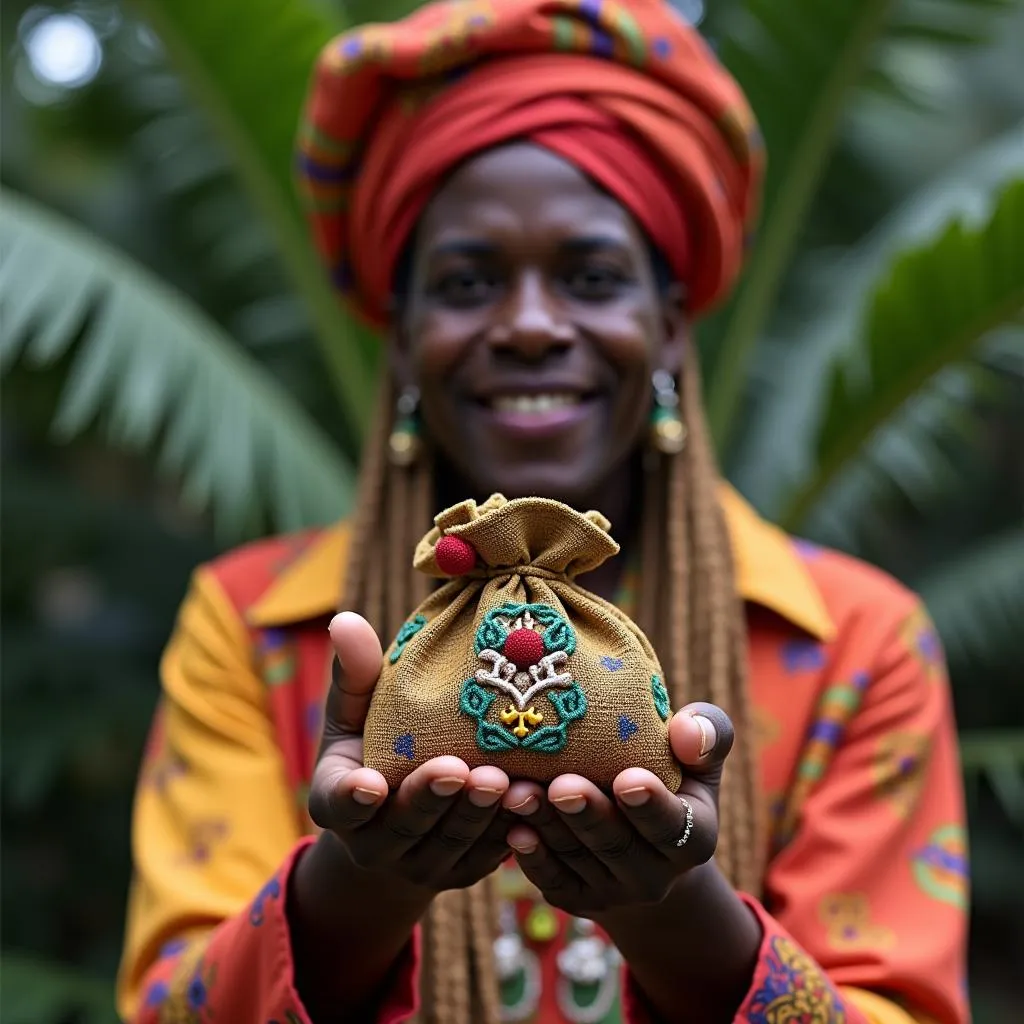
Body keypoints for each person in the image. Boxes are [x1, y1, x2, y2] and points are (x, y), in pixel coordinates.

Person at [115, 1, 969, 1022]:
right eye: (469, 280)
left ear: (666, 329)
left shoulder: (857, 642)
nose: (528, 325)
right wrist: (358, 887)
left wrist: (677, 913)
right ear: (403, 337)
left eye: (591, 277)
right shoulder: (252, 627)